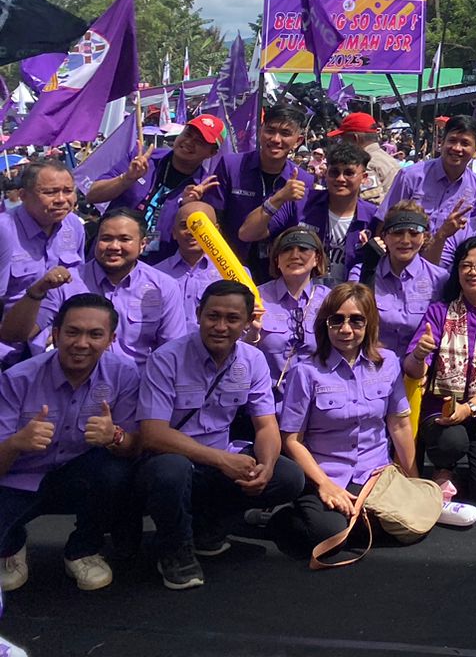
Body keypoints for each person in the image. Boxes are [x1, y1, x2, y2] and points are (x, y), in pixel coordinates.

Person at [272, 283, 469, 559]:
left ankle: (358, 521)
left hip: (374, 473)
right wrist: (324, 485)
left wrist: (412, 482)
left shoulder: (387, 363)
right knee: (327, 535)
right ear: (325, 324)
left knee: (406, 524)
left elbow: (399, 425)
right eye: (336, 320)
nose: (346, 329)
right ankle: (282, 517)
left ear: (369, 324)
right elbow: (292, 440)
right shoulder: (305, 371)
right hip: (327, 474)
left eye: (356, 320)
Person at [136, 280, 304, 590]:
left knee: (287, 476)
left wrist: (265, 465)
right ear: (198, 314)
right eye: (213, 316)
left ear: (245, 323)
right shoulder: (166, 358)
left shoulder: (253, 361)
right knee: (169, 472)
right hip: (174, 458)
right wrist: (222, 460)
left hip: (221, 459)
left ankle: (207, 527)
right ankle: (174, 549)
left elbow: (266, 425)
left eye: (232, 318)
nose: (220, 326)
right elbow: (153, 433)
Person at [0, 294, 142, 593]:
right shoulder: (17, 379)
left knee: (116, 471)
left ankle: (82, 550)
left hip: (79, 475)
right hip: (19, 479)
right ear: (55, 333)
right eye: (72, 332)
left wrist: (114, 436)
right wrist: (15, 443)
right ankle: (11, 546)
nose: (81, 343)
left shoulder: (124, 374)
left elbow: (133, 447)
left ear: (111, 339)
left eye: (95, 335)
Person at [404, 238, 476, 507]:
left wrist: (470, 408)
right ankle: (444, 468)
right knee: (452, 443)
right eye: (466, 265)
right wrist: (420, 354)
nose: (473, 271)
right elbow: (412, 370)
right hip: (441, 408)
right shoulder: (439, 311)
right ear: (457, 271)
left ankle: (466, 470)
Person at [1, 209, 187, 371]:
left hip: (136, 391)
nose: (114, 246)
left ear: (142, 244)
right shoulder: (67, 282)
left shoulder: (164, 287)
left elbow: (170, 352)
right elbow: (16, 335)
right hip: (71, 388)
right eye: (106, 238)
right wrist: (36, 291)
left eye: (124, 239)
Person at [238, 140, 380, 282]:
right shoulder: (299, 203)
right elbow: (246, 234)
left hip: (348, 298)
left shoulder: (374, 217)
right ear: (325, 173)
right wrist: (278, 198)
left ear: (364, 178)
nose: (340, 179)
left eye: (349, 173)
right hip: (301, 295)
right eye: (334, 172)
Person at [87, 114, 223, 262]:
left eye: (199, 141)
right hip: (107, 256)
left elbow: (200, 245)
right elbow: (93, 195)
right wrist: (127, 178)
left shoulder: (205, 188)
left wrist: (188, 207)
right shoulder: (142, 159)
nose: (189, 142)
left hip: (155, 269)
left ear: (212, 153)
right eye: (187, 134)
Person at [204, 104, 313, 278]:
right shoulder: (231, 166)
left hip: (274, 274)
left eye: (285, 134)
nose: (276, 139)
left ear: (298, 141)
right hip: (224, 264)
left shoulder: (303, 180)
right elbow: (212, 216)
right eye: (270, 130)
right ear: (261, 131)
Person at [0, 161, 86, 332]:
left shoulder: (74, 225)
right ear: (23, 195)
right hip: (10, 345)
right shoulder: (4, 230)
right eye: (50, 192)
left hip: (58, 342)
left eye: (68, 191)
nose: (61, 199)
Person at [247, 227, 330, 399]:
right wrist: (252, 334)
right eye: (286, 250)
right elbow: (239, 353)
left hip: (317, 403)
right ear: (277, 260)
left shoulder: (331, 301)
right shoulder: (256, 297)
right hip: (266, 402)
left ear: (317, 258)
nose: (294, 255)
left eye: (303, 249)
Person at [361, 203, 449, 357]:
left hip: (418, 368)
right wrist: (368, 270)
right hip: (372, 364)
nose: (405, 240)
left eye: (414, 233)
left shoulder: (440, 279)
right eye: (397, 233)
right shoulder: (362, 271)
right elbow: (356, 315)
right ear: (384, 237)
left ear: (425, 237)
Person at [379, 115, 476, 229]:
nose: (457, 148)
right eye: (452, 140)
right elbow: (385, 220)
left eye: (465, 143)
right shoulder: (410, 177)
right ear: (442, 143)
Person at [154, 201, 225, 319]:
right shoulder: (155, 275)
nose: (192, 232)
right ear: (174, 232)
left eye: (200, 225)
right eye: (184, 225)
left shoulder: (232, 274)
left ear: (216, 230)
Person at [328, 111, 402, 205]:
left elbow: (368, 204)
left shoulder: (366, 164)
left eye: (343, 138)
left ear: (355, 138)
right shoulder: (388, 159)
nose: (340, 142)